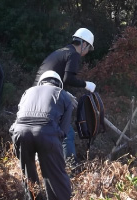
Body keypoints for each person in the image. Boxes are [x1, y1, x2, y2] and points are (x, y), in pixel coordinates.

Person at [33, 28, 97, 162]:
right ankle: (70, 166)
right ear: (83, 44)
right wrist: (86, 84)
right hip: (49, 94)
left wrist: (63, 92)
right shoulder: (73, 54)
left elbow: (52, 78)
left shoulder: (61, 52)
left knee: (44, 127)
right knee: (66, 132)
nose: (86, 53)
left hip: (37, 94)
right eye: (88, 48)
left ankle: (43, 160)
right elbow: (68, 79)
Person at [10, 70, 73, 200]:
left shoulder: (28, 92)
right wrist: (49, 149)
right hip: (47, 134)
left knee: (28, 176)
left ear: (41, 82)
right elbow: (64, 130)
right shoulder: (64, 95)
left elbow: (19, 116)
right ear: (59, 84)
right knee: (55, 177)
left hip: (20, 132)